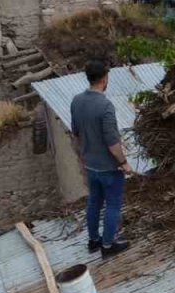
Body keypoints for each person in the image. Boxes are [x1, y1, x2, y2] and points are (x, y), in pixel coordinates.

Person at [71, 59, 133, 258]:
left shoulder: (76, 101)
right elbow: (112, 142)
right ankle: (108, 245)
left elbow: (76, 134)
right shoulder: (105, 106)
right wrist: (123, 163)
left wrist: (82, 157)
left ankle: (94, 241)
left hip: (90, 165)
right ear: (105, 78)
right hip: (109, 168)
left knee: (94, 202)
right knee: (113, 205)